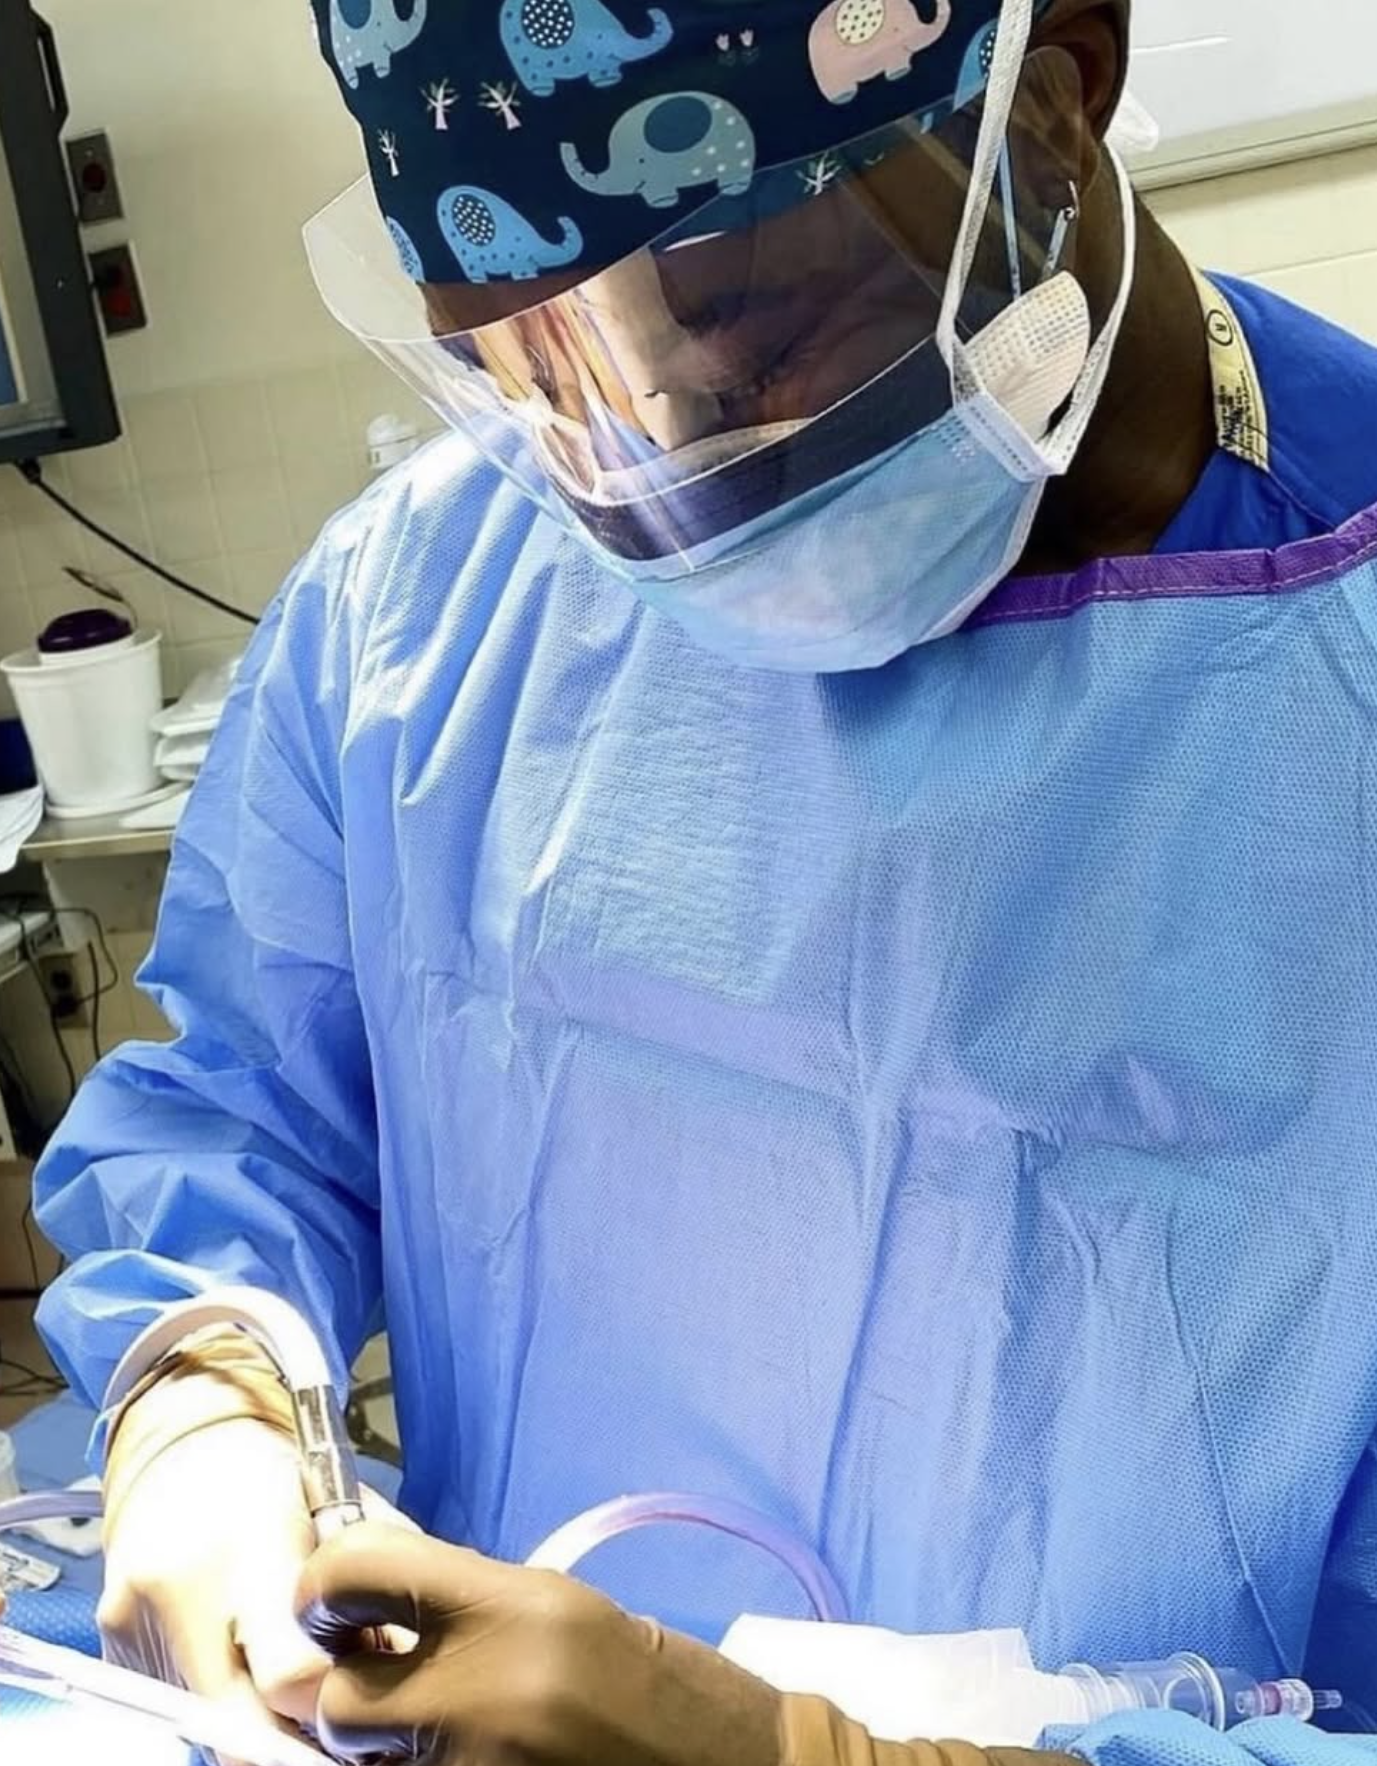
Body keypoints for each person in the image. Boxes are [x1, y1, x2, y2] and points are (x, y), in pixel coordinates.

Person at [24, 0, 1377, 1756]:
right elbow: (251, 1106)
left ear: (1055, 89)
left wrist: (807, 1748)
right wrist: (200, 1388)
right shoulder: (420, 614)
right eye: (555, 365)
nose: (672, 445)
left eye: (748, 323)